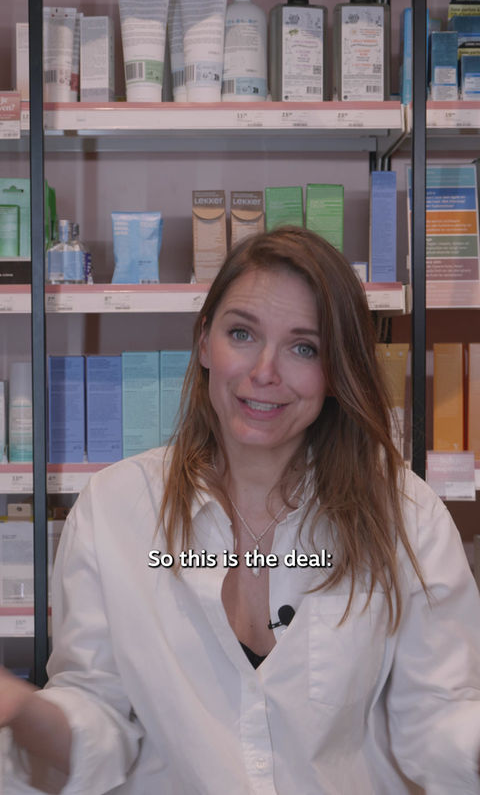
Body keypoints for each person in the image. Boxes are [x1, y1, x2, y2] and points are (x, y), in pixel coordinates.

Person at [1, 226, 480, 794]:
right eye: (242, 334)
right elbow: (98, 720)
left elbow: (438, 720)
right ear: (205, 342)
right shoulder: (115, 510)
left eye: (304, 347)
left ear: (337, 371)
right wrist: (21, 710)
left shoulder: (405, 515)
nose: (264, 372)